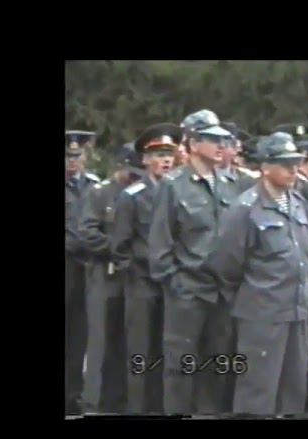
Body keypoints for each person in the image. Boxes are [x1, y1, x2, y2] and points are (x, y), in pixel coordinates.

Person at [201, 133, 308, 415]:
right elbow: (226, 264)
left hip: (296, 310)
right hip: (262, 313)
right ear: (265, 167)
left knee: (293, 389)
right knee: (258, 390)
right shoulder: (246, 208)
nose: (293, 169)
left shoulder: (298, 202)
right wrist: (253, 297)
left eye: (296, 163)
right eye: (285, 164)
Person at [148, 112, 238, 415]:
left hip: (221, 291)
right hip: (188, 291)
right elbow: (160, 243)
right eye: (212, 139)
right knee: (181, 368)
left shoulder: (228, 183)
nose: (221, 145)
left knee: (216, 367)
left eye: (223, 140)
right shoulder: (173, 186)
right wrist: (176, 285)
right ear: (194, 143)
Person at [112, 125, 182, 414]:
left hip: (171, 281)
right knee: (140, 349)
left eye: (169, 154)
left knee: (168, 349)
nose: (165, 160)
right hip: (141, 282)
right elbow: (120, 245)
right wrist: (134, 273)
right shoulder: (132, 196)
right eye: (158, 155)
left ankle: (161, 405)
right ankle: (138, 407)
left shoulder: (178, 192)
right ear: (145, 160)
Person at [78, 146, 137, 414]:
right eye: (130, 173)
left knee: (127, 339)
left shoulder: (141, 193)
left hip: (132, 276)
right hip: (105, 273)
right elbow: (87, 233)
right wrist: (117, 247)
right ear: (120, 167)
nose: (133, 178)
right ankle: (95, 399)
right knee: (101, 339)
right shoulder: (100, 193)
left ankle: (121, 397)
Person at [65, 130, 100, 414]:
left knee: (80, 332)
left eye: (77, 155)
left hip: (85, 267)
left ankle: (73, 393)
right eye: (67, 156)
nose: (72, 161)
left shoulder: (94, 186)